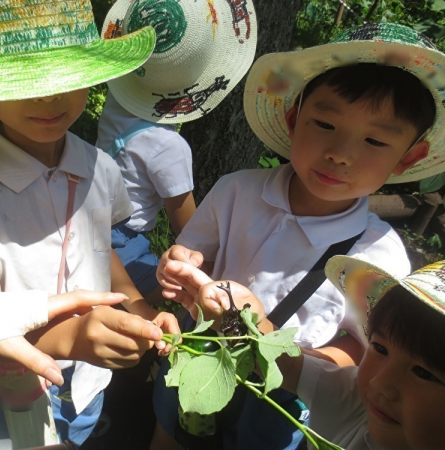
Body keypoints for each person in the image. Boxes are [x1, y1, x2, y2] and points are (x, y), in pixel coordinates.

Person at [0, 0, 180, 445]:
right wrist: (73, 337)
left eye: (66, 77)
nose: (47, 97)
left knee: (84, 433)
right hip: (2, 387)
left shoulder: (100, 167)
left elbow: (104, 250)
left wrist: (140, 308)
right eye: (23, 82)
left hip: (90, 379)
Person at [154, 22, 445, 450]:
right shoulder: (238, 190)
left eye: (374, 140)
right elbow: (198, 253)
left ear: (409, 157)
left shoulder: (381, 256)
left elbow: (362, 348)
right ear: (294, 120)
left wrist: (285, 357)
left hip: (284, 399)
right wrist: (181, 266)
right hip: (200, 352)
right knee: (172, 424)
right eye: (325, 124)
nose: (341, 154)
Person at [165, 256, 445, 450]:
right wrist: (237, 317)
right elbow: (287, 367)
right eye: (380, 348)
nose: (379, 383)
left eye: (423, 372)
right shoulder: (357, 402)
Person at [95, 0, 258, 302]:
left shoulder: (119, 101)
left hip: (91, 217)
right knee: (176, 292)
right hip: (122, 240)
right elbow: (190, 228)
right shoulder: (168, 146)